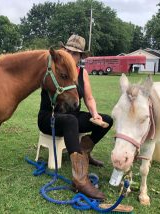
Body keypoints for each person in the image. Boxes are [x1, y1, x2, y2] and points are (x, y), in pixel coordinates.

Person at [37, 34, 113, 200]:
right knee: (71, 121)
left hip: (73, 116)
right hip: (49, 117)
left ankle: (84, 152)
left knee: (107, 120)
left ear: (81, 56)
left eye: (75, 53)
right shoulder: (54, 67)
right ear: (63, 51)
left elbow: (89, 98)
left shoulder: (82, 73)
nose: (71, 56)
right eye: (68, 51)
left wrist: (95, 114)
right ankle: (80, 179)